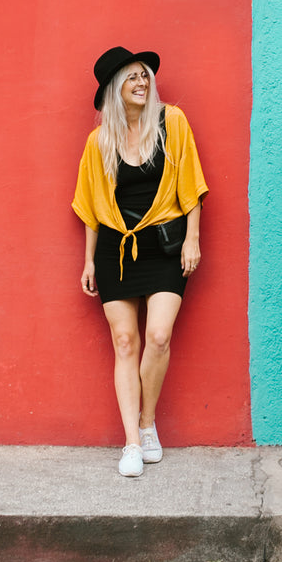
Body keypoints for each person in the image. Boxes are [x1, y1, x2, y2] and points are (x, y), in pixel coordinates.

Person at [72, 46, 208, 477]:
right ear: (115, 88)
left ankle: (148, 422)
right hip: (116, 251)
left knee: (160, 335)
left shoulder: (173, 124)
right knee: (125, 342)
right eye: (131, 77)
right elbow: (91, 206)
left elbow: (192, 186)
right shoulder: (100, 142)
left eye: (145, 75)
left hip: (165, 248)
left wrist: (193, 239)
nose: (141, 82)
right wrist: (88, 261)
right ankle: (132, 441)